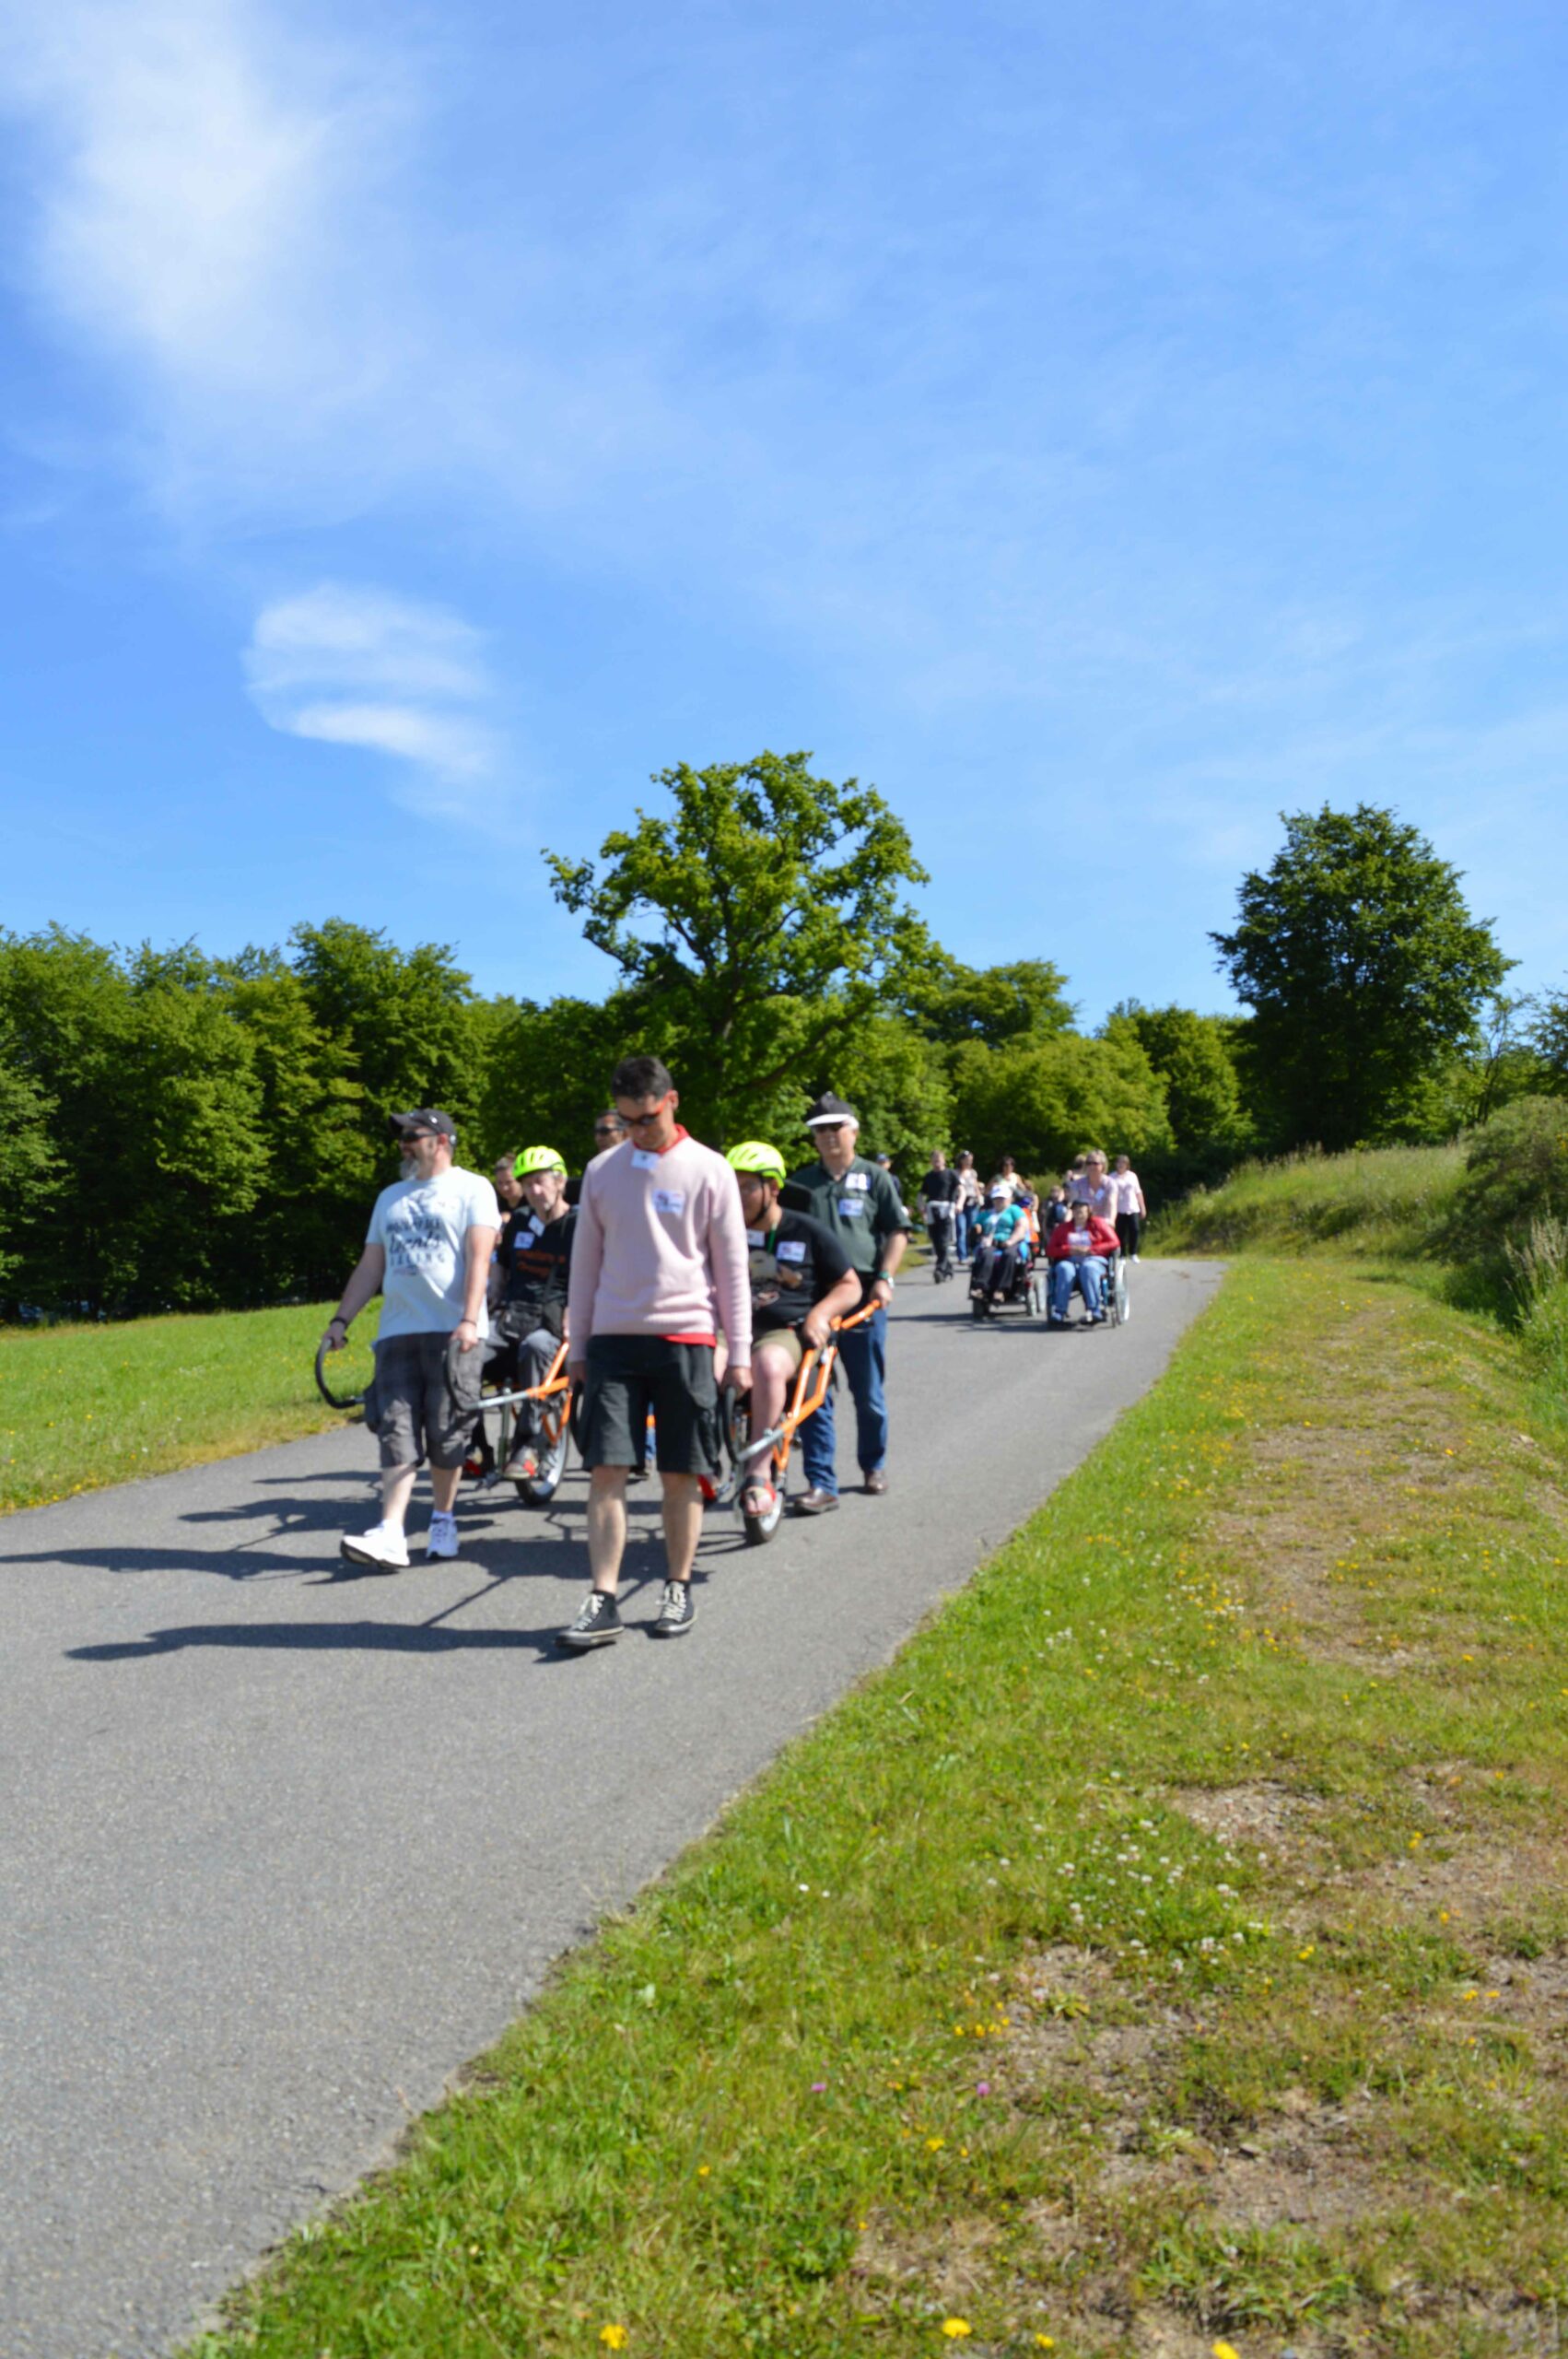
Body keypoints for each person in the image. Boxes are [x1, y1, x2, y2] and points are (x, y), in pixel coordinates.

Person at [559, 1055, 751, 1647]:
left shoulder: (710, 1169)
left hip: (687, 1337)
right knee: (605, 1469)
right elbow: (584, 1263)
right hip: (614, 1338)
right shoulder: (600, 1171)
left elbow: (732, 1267)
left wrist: (738, 1351)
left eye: (645, 1118)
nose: (637, 1130)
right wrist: (578, 1343)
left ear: (671, 1101)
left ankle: (677, 1584)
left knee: (680, 1472)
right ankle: (603, 1597)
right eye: (625, 1120)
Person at [323, 1109, 498, 1569]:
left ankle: (443, 1519)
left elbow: (480, 1258)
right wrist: (341, 1321)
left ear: (441, 1140)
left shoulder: (473, 1187)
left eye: (411, 1136)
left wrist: (468, 1319)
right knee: (395, 1429)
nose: (402, 1144)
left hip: (453, 1331)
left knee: (446, 1431)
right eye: (401, 1137)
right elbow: (371, 1265)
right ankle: (392, 1532)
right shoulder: (390, 1198)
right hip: (398, 1331)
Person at [781, 1093, 910, 1510]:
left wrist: (887, 1278)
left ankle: (873, 1464)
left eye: (837, 1127)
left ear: (854, 1131)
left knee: (867, 1391)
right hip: (813, 1297)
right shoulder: (800, 1185)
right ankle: (822, 1483)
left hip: (864, 1295)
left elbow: (897, 1231)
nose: (829, 1136)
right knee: (813, 1391)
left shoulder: (876, 1177)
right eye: (821, 1130)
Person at [725, 1143, 861, 1520]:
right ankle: (697, 1465)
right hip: (730, 1327)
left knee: (777, 1371)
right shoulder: (722, 1231)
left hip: (784, 1331)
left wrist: (820, 1315)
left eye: (747, 1187)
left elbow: (849, 1285)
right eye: (730, 1187)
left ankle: (766, 1475)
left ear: (773, 1189)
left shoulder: (807, 1231)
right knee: (697, 1362)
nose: (737, 1197)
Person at [490, 1145, 576, 1479]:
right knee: (462, 1349)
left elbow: (596, 1275)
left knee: (536, 1347)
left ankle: (527, 1442)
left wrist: (575, 1311)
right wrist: (495, 1282)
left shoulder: (580, 1224)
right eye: (527, 1185)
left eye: (540, 1182)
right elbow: (502, 1262)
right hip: (512, 1316)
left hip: (554, 1324)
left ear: (560, 1181)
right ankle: (467, 1441)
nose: (534, 1191)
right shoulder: (520, 1221)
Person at [1046, 1198, 1119, 1325]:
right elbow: (1051, 1250)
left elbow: (1114, 1242)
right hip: (1069, 1260)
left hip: (1094, 1259)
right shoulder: (1062, 1228)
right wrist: (1069, 1250)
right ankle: (1059, 1311)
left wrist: (1092, 1249)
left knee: (1088, 1268)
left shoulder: (1099, 1224)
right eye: (1075, 1208)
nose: (1078, 1211)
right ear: (1072, 1212)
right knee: (1064, 1269)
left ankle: (1094, 1310)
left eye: (1082, 1208)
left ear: (1088, 1210)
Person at [969, 1182, 1032, 1309]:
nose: (999, 1201)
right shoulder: (986, 1213)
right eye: (997, 1198)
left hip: (1011, 1241)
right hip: (991, 1242)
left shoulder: (1015, 1210)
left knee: (1010, 1255)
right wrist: (978, 1229)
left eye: (1002, 1198)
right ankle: (981, 1288)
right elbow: (975, 1226)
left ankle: (1002, 1290)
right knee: (986, 1255)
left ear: (1009, 1199)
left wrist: (1010, 1241)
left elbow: (1022, 1227)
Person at [918, 1148, 961, 1282]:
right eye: (934, 1160)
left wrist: (959, 1203)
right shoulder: (929, 1176)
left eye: (939, 1160)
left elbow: (961, 1189)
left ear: (944, 1160)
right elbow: (921, 1194)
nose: (937, 1163)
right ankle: (948, 1268)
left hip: (946, 1209)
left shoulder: (950, 1174)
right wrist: (921, 1208)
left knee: (943, 1241)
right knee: (936, 1243)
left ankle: (939, 1269)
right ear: (931, 1162)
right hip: (932, 1210)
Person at [1112, 1154, 1147, 1261]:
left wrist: (1143, 1207)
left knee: (1135, 1229)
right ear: (1116, 1164)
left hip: (1132, 1207)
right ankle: (1122, 1254)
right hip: (1118, 1209)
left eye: (1123, 1163)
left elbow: (1138, 1192)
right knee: (1120, 1232)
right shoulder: (1111, 1177)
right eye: (1119, 1162)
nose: (1121, 1165)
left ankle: (1133, 1252)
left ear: (1127, 1165)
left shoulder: (1132, 1176)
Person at [954, 1150, 981, 1264]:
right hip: (960, 1204)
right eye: (967, 1160)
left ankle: (975, 1253)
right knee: (961, 1229)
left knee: (973, 1229)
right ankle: (962, 1256)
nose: (969, 1162)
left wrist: (979, 1196)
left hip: (972, 1203)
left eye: (970, 1160)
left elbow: (975, 1186)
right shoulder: (955, 1173)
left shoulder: (972, 1173)